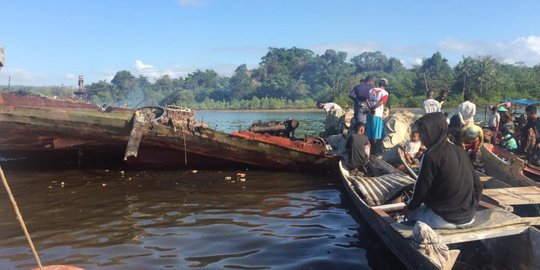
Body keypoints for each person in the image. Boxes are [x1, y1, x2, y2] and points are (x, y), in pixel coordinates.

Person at [406, 112, 482, 229]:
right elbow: (478, 185)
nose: (421, 136)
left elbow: (421, 190)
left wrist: (409, 208)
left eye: (425, 132)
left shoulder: (431, 155)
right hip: (469, 218)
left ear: (436, 131)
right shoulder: (460, 151)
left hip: (443, 219)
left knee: (411, 214)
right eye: (421, 132)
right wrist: (472, 207)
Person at [366, 78, 389, 153]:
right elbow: (381, 102)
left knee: (369, 133)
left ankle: (369, 149)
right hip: (377, 114)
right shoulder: (385, 93)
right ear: (385, 85)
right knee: (376, 134)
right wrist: (373, 108)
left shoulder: (371, 90)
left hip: (369, 114)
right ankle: (373, 150)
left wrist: (370, 108)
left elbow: (367, 99)